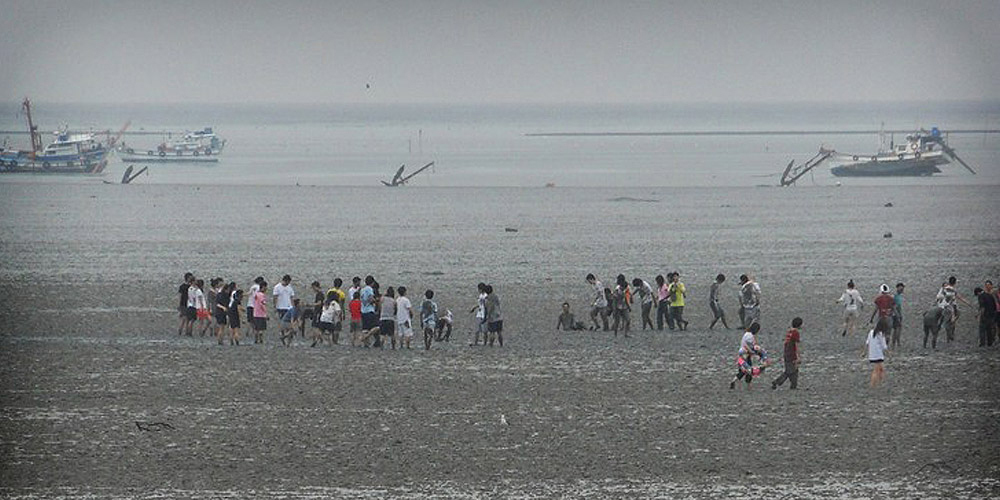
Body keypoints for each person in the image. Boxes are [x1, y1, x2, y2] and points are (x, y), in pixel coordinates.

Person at [729, 322, 765, 390]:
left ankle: (734, 381)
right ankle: (747, 385)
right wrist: (755, 352)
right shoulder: (750, 336)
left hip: (742, 354)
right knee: (748, 370)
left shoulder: (747, 334)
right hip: (746, 355)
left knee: (743, 370)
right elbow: (748, 346)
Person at [937, 276, 971, 343]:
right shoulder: (952, 290)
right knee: (950, 321)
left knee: (953, 318)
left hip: (943, 306)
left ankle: (950, 334)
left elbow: (939, 297)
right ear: (954, 283)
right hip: (948, 307)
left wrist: (966, 302)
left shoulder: (945, 288)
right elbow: (951, 302)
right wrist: (953, 315)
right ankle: (950, 335)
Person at [772, 317, 803, 390]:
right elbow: (796, 345)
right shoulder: (796, 333)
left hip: (787, 352)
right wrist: (798, 356)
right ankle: (777, 382)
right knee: (790, 371)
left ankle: (793, 385)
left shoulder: (789, 331)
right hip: (791, 354)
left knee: (794, 370)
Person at [863, 319, 890, 387]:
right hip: (878, 354)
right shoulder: (880, 334)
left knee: (881, 369)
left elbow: (867, 343)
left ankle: (879, 383)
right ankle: (873, 385)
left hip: (872, 354)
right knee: (876, 370)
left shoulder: (871, 332)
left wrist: (864, 352)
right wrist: (889, 354)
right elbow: (884, 346)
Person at [976, 281, 997, 347]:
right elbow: (994, 306)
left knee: (982, 329)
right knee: (989, 330)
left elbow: (982, 307)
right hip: (991, 315)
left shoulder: (981, 296)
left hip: (985, 315)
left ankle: (982, 343)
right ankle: (989, 343)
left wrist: (980, 315)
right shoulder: (990, 295)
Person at [360, 276, 379, 346]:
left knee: (365, 329)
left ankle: (366, 345)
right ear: (372, 282)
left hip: (363, 310)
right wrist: (376, 301)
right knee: (377, 327)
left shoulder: (362, 289)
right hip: (369, 310)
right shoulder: (369, 289)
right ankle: (366, 336)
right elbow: (371, 299)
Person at [891, 283, 905, 348]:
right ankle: (896, 343)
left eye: (902, 288)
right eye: (901, 288)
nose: (902, 290)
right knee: (897, 329)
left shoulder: (899, 296)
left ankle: (895, 343)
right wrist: (898, 315)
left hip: (897, 314)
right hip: (896, 315)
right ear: (897, 288)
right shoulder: (895, 296)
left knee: (896, 329)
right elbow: (894, 306)